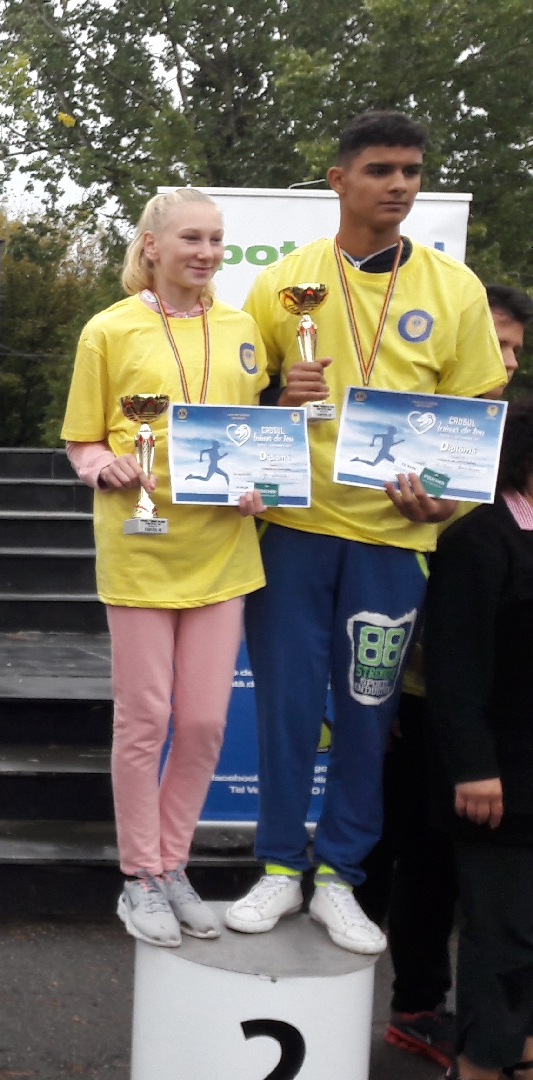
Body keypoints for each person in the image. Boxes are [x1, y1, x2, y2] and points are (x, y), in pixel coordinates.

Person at [225, 110, 508, 954]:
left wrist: (446, 503)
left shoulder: (454, 289)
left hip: (394, 539)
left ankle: (340, 878)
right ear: (338, 180)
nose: (399, 185)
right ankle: (280, 867)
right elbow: (238, 399)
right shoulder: (283, 281)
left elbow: (479, 406)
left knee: (367, 712)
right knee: (285, 707)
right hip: (294, 527)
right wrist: (277, 397)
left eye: (412, 171)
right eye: (382, 170)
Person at [52, 189, 269, 945]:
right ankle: (139, 875)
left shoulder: (244, 329)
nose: (207, 253)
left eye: (216, 239)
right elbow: (81, 439)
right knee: (145, 719)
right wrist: (102, 465)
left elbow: (256, 435)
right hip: (140, 548)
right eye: (191, 238)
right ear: (151, 244)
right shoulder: (108, 329)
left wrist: (263, 484)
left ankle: (172, 863)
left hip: (224, 552)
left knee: (204, 722)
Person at [364, 282, 528, 1068]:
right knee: (393, 853)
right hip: (409, 687)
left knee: (456, 866)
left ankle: (442, 1013)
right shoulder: (404, 431)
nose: (507, 361)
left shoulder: (511, 442)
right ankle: (372, 1003)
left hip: (488, 706)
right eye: (496, 343)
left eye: (516, 349)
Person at [422, 398, 533, 1080]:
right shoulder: (480, 540)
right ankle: (481, 1066)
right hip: (499, 782)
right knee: (502, 938)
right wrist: (472, 767)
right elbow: (455, 668)